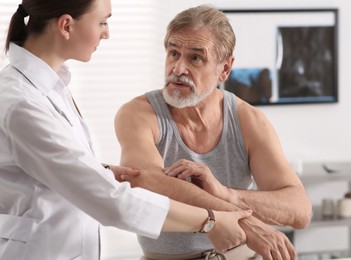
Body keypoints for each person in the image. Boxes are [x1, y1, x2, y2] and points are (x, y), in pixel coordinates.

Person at [0, 1, 254, 259]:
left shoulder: (51, 88)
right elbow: (113, 203)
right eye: (102, 22)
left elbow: (53, 169)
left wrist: (103, 172)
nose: (106, 33)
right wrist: (211, 221)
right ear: (66, 25)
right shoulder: (22, 103)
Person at [115, 4, 312, 260]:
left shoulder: (248, 119)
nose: (178, 68)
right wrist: (237, 221)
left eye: (195, 58)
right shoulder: (139, 114)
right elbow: (145, 181)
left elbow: (299, 209)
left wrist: (224, 193)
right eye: (173, 53)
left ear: (225, 69)